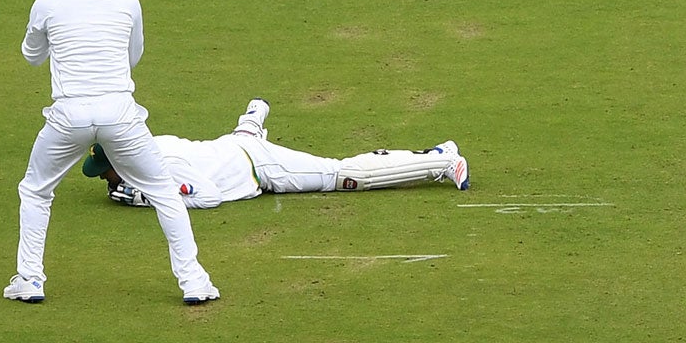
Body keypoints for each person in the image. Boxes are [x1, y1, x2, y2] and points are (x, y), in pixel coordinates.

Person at [7, 0, 220, 306]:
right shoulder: (128, 1)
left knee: (36, 191)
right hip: (120, 114)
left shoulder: (46, 3)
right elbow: (133, 56)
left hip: (68, 116)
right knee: (164, 193)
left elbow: (31, 55)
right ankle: (195, 283)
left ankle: (30, 280)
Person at [84, 99, 469, 208]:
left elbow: (209, 196)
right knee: (241, 139)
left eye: (105, 171)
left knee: (348, 176)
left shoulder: (160, 166)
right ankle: (251, 118)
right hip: (234, 149)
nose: (104, 178)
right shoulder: (148, 148)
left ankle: (441, 158)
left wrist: (151, 197)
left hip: (261, 168)